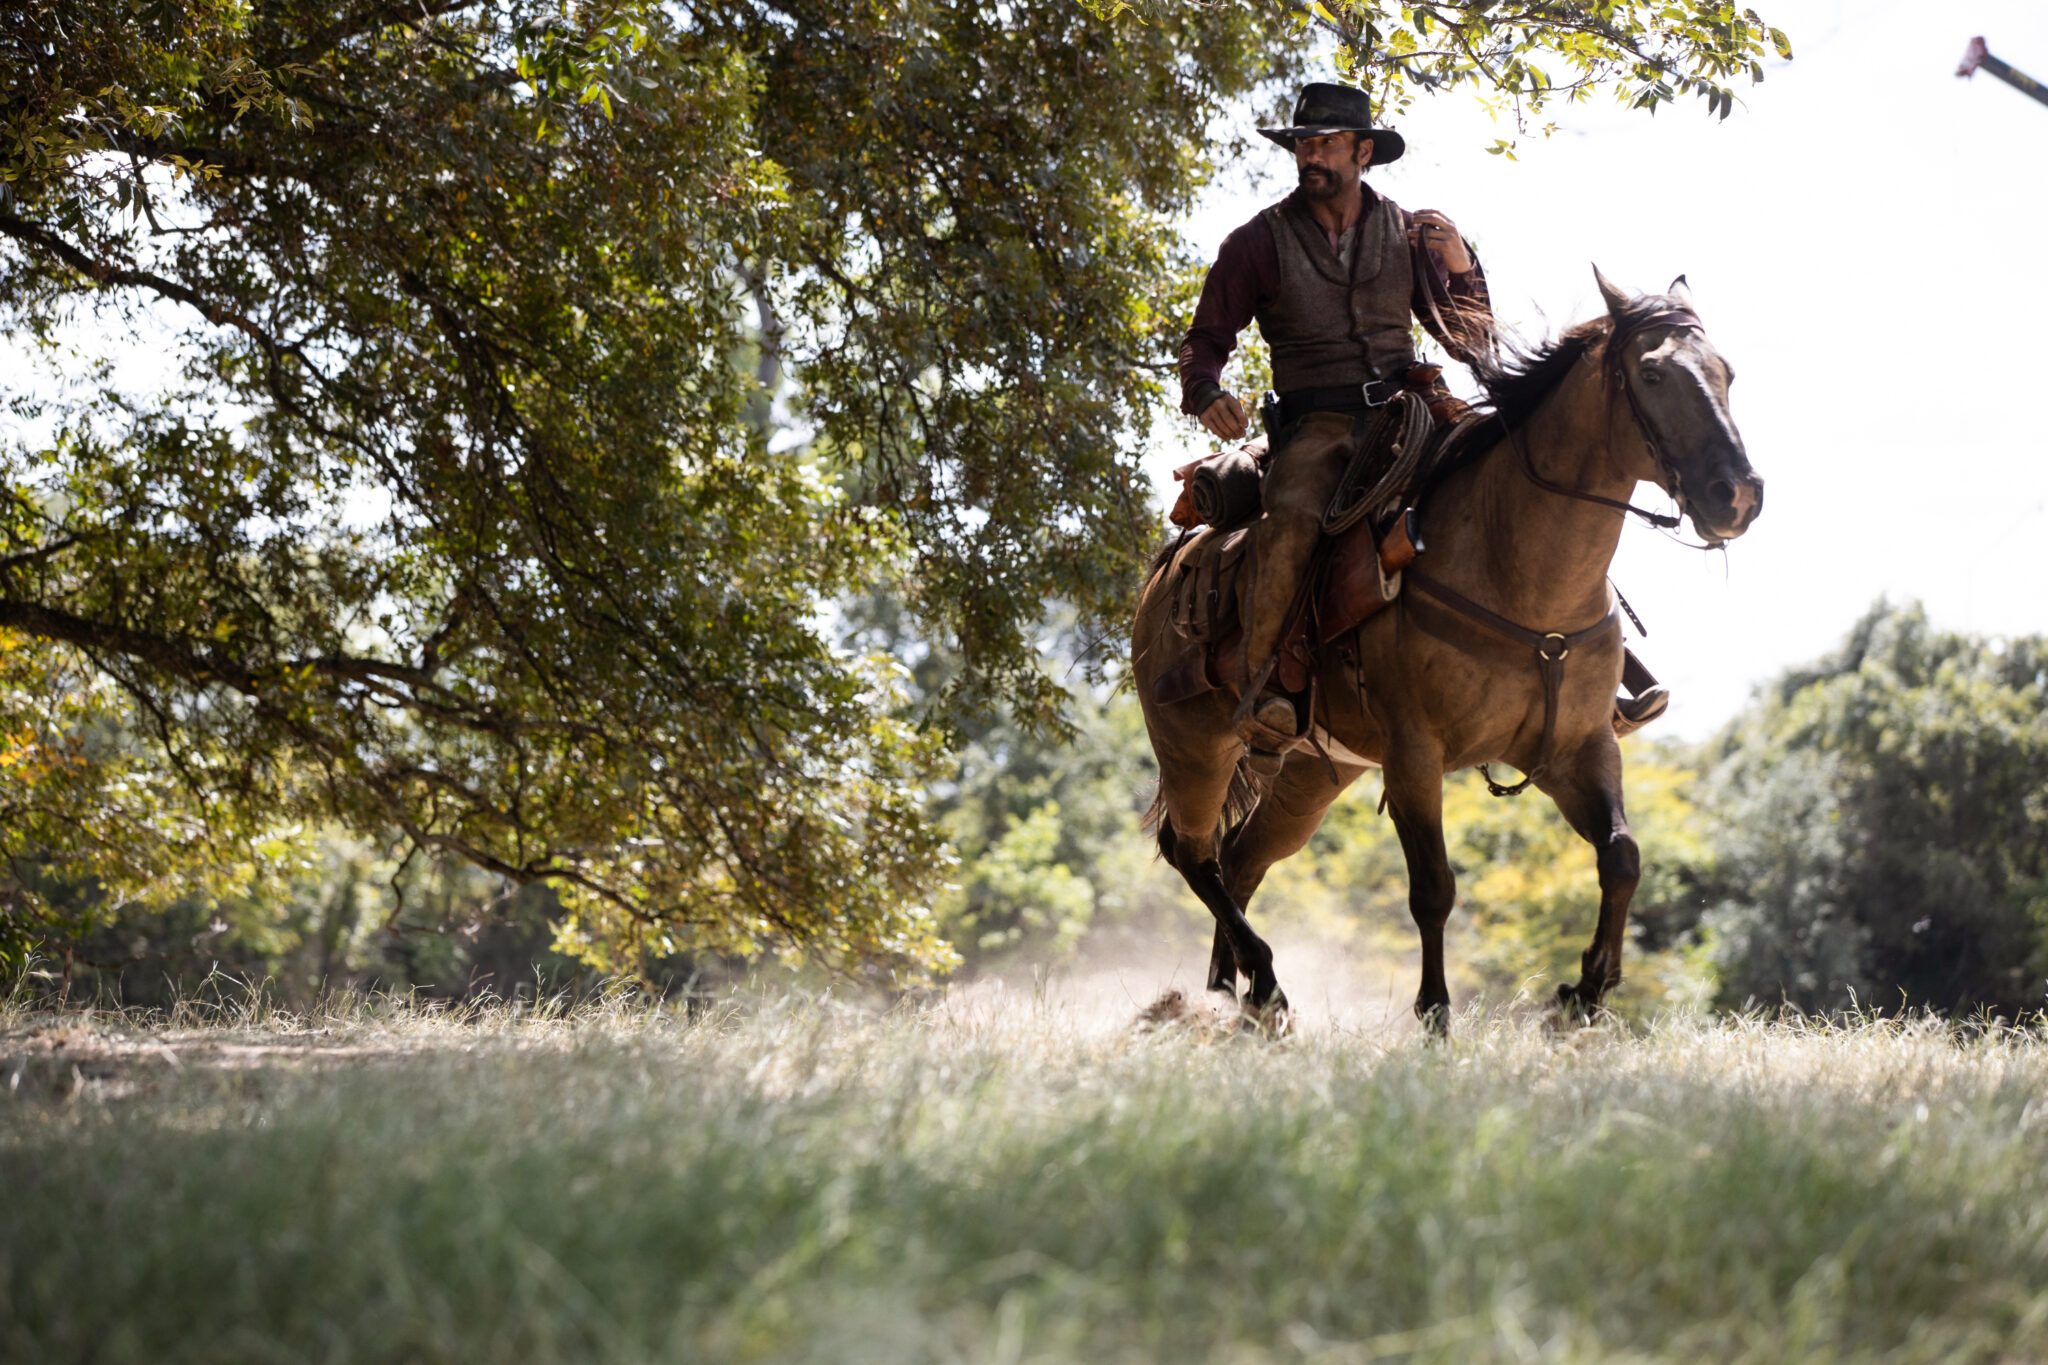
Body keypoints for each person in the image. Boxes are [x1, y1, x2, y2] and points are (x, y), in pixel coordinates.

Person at [1177, 82, 1667, 763]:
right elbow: (1207, 336)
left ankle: (1608, 671)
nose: (1311, 155)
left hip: (1414, 409)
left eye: (1326, 143)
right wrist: (1204, 390)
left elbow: (1471, 340)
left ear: (1363, 151)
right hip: (1317, 423)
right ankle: (1266, 688)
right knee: (1290, 517)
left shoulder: (1410, 233)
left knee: (1521, 479)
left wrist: (1462, 268)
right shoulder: (1256, 242)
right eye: (1303, 144)